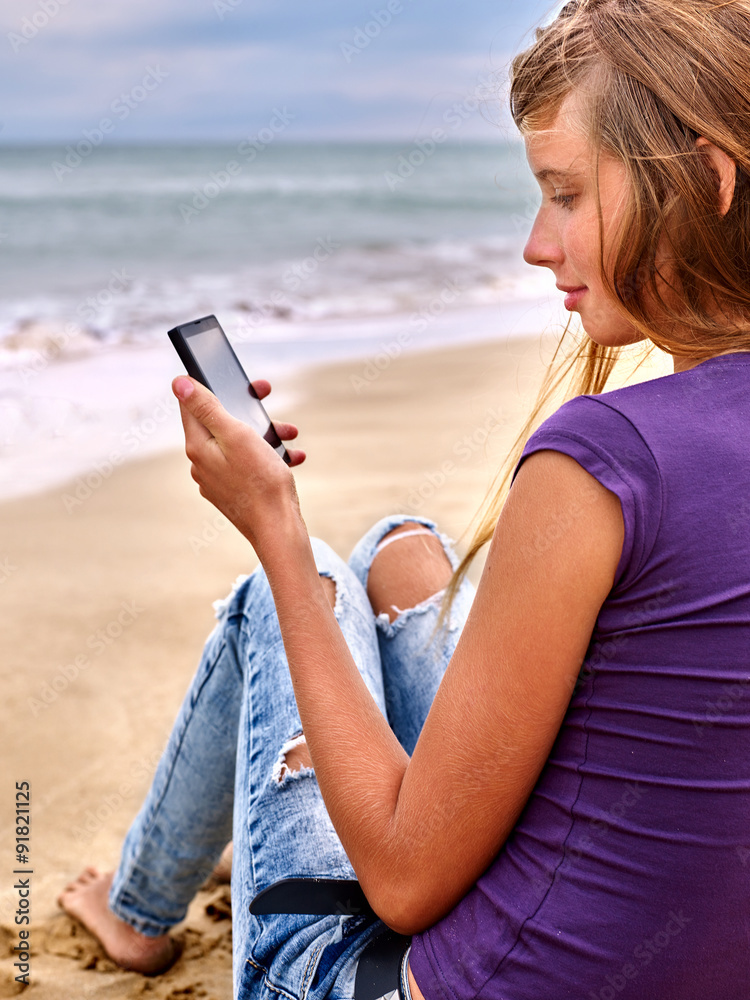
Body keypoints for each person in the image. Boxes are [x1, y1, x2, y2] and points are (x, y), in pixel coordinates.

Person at [59, 0, 750, 996]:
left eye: (562, 194)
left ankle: (134, 912)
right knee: (401, 551)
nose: (534, 245)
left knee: (288, 591)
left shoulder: (605, 459)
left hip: (406, 978)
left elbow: (404, 883)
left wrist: (276, 531)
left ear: (709, 178)